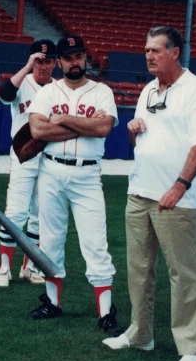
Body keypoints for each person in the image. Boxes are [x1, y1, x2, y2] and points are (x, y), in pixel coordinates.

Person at [104, 26, 196, 361]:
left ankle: (193, 348)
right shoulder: (148, 90)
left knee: (183, 273)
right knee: (138, 269)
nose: (149, 55)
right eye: (146, 50)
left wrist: (179, 187)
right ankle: (140, 334)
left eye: (156, 50)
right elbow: (142, 145)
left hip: (176, 199)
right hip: (140, 192)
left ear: (175, 52)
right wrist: (132, 133)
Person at [25, 35, 123, 336]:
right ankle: (53, 303)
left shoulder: (102, 91)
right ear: (60, 61)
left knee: (95, 242)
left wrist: (65, 118)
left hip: (87, 174)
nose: (74, 61)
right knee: (50, 241)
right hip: (51, 170)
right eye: (68, 57)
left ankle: (105, 312)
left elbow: (104, 127)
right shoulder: (48, 90)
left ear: (85, 58)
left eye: (79, 55)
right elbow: (37, 129)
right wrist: (83, 129)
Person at [0, 39, 57, 287]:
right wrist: (28, 65)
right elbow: (4, 94)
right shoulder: (22, 83)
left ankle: (29, 267)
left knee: (40, 215)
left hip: (48, 157)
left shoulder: (58, 88)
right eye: (38, 60)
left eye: (48, 60)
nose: (43, 65)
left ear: (55, 63)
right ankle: (4, 268)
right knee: (15, 212)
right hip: (22, 155)